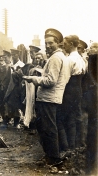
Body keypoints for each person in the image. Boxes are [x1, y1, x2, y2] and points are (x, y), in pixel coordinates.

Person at [23, 28, 69, 165]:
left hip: (48, 98)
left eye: (51, 43)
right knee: (52, 127)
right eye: (46, 43)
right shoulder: (60, 57)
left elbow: (50, 81)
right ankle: (56, 154)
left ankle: (54, 158)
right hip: (53, 97)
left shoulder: (55, 58)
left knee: (48, 128)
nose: (48, 46)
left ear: (58, 43)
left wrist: (33, 79)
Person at [56, 35, 85, 156]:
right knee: (74, 116)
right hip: (78, 90)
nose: (64, 46)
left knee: (62, 118)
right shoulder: (81, 59)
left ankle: (67, 147)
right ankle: (76, 145)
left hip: (69, 90)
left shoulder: (69, 60)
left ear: (72, 44)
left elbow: (64, 78)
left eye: (66, 43)